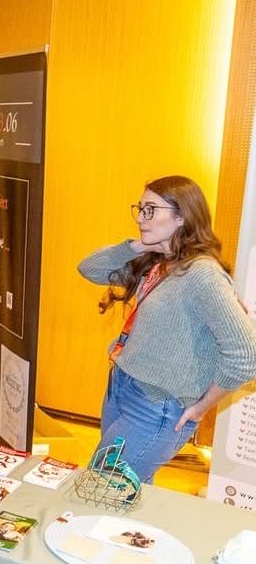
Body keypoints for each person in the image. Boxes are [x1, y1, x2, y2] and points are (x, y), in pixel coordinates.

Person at [79, 175, 256, 482]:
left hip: (155, 408)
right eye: (140, 209)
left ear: (181, 217)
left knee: (102, 487)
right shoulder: (159, 261)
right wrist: (139, 244)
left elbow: (246, 355)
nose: (141, 218)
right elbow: (90, 268)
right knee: (124, 493)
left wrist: (203, 407)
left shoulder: (202, 274)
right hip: (121, 389)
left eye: (151, 210)